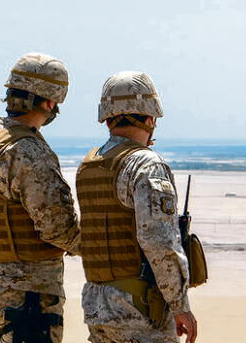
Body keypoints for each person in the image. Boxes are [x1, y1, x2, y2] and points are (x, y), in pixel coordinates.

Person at [0, 52, 80, 342]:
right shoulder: (28, 151)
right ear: (50, 102)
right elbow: (58, 228)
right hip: (25, 293)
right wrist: (101, 247)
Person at [77, 71, 197, 343]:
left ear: (107, 117)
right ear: (151, 116)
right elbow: (158, 242)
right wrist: (180, 305)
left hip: (97, 304)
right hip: (139, 306)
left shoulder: (89, 165)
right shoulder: (145, 165)